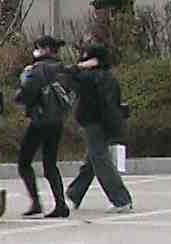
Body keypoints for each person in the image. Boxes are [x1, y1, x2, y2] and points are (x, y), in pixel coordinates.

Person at [66, 43, 135, 214]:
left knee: (100, 159)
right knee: (92, 160)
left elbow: (68, 75)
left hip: (94, 123)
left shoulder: (89, 77)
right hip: (107, 123)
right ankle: (75, 193)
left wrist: (78, 66)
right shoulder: (108, 77)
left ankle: (121, 199)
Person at [17, 36, 74, 219]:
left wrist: (22, 84)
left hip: (40, 119)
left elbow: (27, 93)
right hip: (57, 120)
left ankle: (36, 202)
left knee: (24, 161)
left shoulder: (38, 68)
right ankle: (60, 203)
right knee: (50, 163)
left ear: (46, 49)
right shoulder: (63, 68)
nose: (36, 51)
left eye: (39, 47)